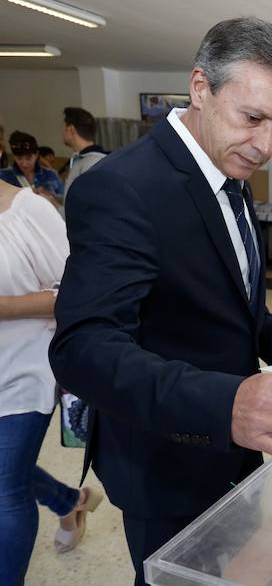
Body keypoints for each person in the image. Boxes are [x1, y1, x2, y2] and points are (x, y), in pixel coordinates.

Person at [48, 18, 272, 586]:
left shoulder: (232, 170)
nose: (264, 146)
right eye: (252, 118)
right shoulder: (121, 186)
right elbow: (83, 347)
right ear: (201, 88)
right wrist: (225, 402)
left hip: (237, 448)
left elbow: (227, 289)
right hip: (165, 458)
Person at [0, 181, 104, 583]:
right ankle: (69, 501)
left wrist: (4, 307)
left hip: (20, 376)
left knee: (5, 490)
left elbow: (80, 294)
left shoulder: (29, 212)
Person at [0, 131, 65, 206]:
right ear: (14, 156)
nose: (24, 164)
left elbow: (65, 201)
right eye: (19, 158)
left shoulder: (50, 175)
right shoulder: (3, 176)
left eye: (28, 158)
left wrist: (50, 196)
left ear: (37, 155)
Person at [62, 106, 107, 201]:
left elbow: (88, 206)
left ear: (71, 130)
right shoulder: (81, 160)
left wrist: (55, 205)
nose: (63, 133)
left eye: (64, 128)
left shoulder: (92, 163)